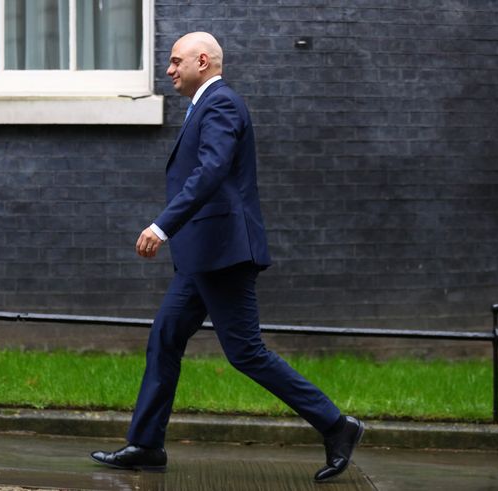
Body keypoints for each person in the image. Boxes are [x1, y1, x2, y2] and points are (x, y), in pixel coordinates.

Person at [90, 32, 364, 482]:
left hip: (223, 254)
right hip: (201, 256)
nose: (169, 70)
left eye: (176, 61)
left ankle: (337, 426)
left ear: (203, 61)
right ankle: (146, 444)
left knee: (246, 353)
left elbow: (211, 171)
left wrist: (162, 226)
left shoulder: (221, 103)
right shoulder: (205, 106)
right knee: (165, 337)